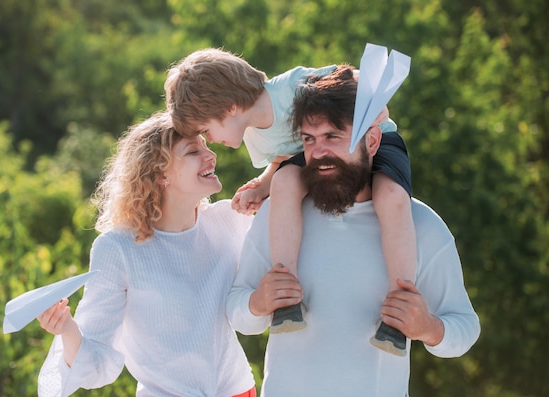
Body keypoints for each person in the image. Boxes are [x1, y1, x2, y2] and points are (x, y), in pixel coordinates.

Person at [225, 65, 481, 396]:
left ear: (373, 140)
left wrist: (429, 328)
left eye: (333, 137)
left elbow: (464, 328)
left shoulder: (421, 225)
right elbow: (237, 312)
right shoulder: (279, 214)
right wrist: (258, 303)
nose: (318, 152)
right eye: (309, 139)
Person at [165, 48, 416, 354]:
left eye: (206, 130)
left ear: (229, 108)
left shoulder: (296, 87)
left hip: (372, 141)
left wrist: (371, 112)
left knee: (391, 196)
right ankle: (287, 291)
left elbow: (362, 80)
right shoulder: (254, 138)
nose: (210, 139)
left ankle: (400, 307)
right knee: (284, 182)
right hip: (320, 157)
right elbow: (285, 158)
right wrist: (261, 187)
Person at [36, 111, 256, 397]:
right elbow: (97, 356)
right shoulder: (118, 248)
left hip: (239, 391)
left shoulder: (229, 219)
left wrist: (264, 185)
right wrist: (66, 328)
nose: (210, 155)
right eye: (193, 150)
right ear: (161, 173)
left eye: (206, 145)